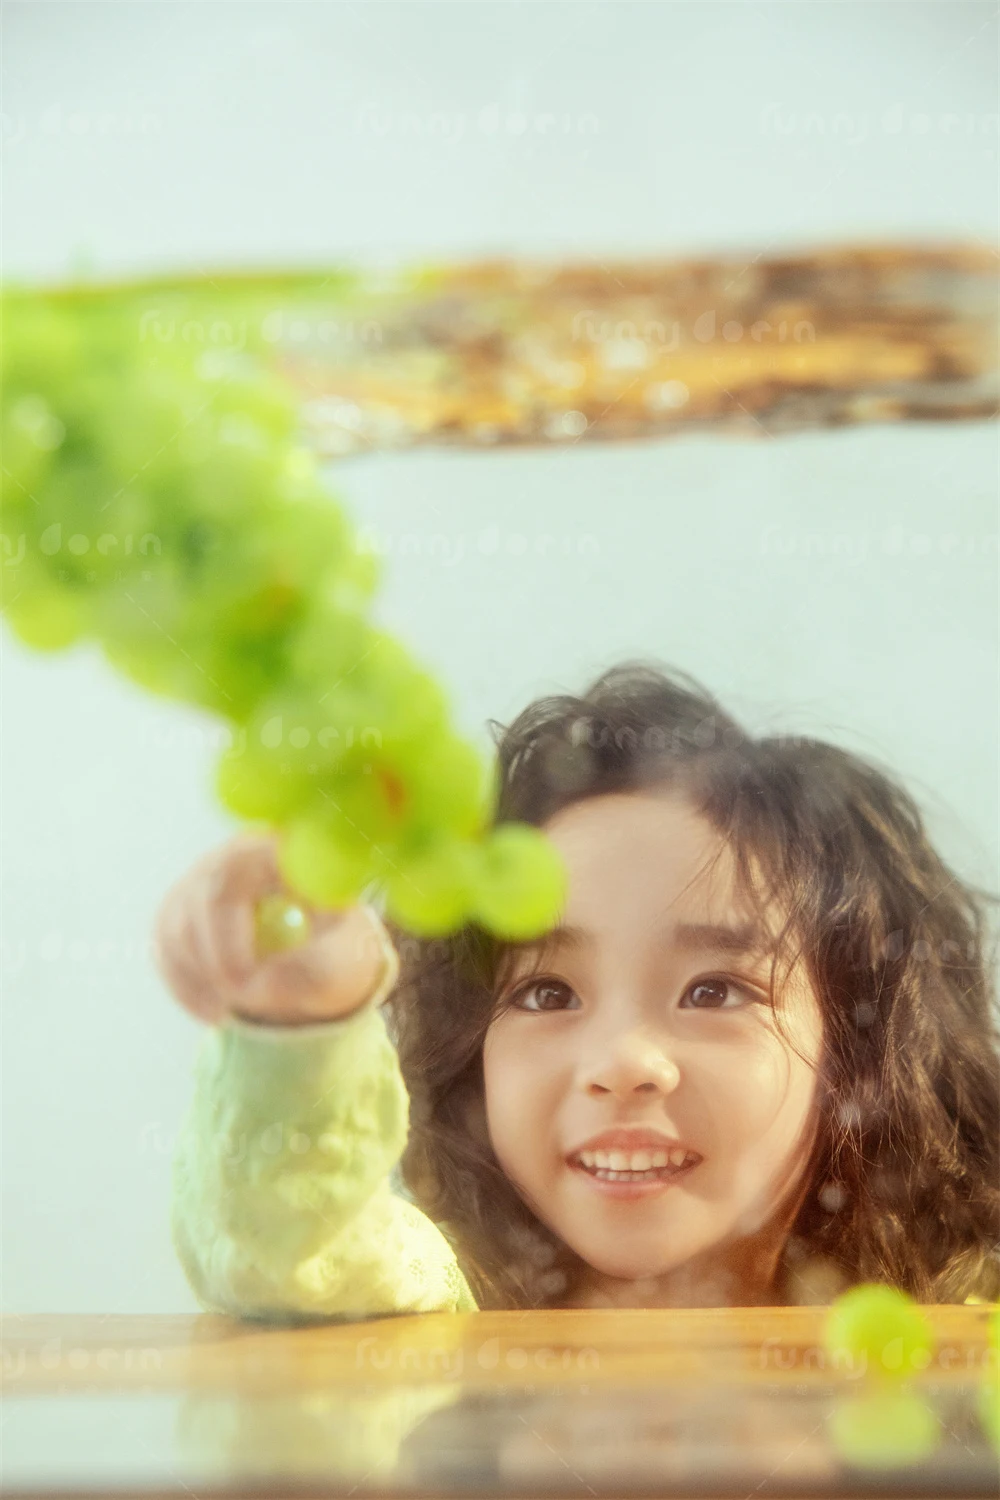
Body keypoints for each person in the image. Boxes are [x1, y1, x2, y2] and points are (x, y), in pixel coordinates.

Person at [155, 661, 1000, 1320]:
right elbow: (282, 1242)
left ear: (852, 1051)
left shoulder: (954, 1326)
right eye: (547, 994)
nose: (623, 1063)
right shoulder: (436, 1303)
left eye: (714, 992)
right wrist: (304, 1021)